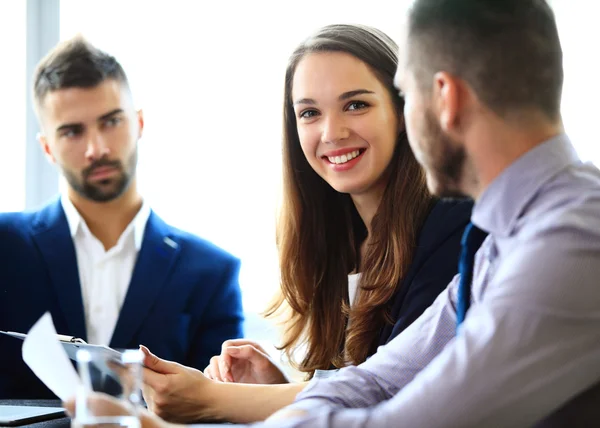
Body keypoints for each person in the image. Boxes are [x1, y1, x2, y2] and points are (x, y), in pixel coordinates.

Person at [252, 0, 600, 426]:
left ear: (445, 98)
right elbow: (375, 382)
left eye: (407, 93)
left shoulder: (573, 240)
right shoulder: (503, 239)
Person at [138, 24, 473, 423]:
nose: (332, 132)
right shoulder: (341, 240)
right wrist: (277, 386)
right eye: (310, 113)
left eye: (356, 105)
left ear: (402, 111)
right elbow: (354, 391)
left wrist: (212, 398)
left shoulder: (454, 223)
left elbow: (395, 394)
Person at [0, 36, 244, 399]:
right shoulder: (5, 247)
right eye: (72, 131)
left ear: (140, 122)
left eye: (111, 121)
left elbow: (222, 411)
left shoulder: (211, 272)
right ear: (48, 147)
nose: (96, 148)